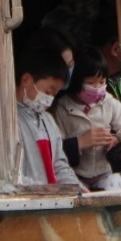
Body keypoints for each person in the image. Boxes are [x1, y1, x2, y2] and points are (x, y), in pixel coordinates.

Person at [51, 60, 121, 191]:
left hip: (105, 172)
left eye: (101, 82)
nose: (96, 87)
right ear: (77, 81)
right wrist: (79, 143)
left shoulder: (110, 103)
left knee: (114, 185)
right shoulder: (62, 108)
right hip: (75, 174)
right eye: (90, 83)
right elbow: (55, 147)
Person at [14, 45, 85, 189]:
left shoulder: (48, 120)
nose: (50, 99)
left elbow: (59, 165)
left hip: (52, 200)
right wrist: (46, 191)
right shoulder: (9, 121)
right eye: (48, 91)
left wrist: (77, 187)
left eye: (54, 95)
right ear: (26, 80)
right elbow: (12, 175)